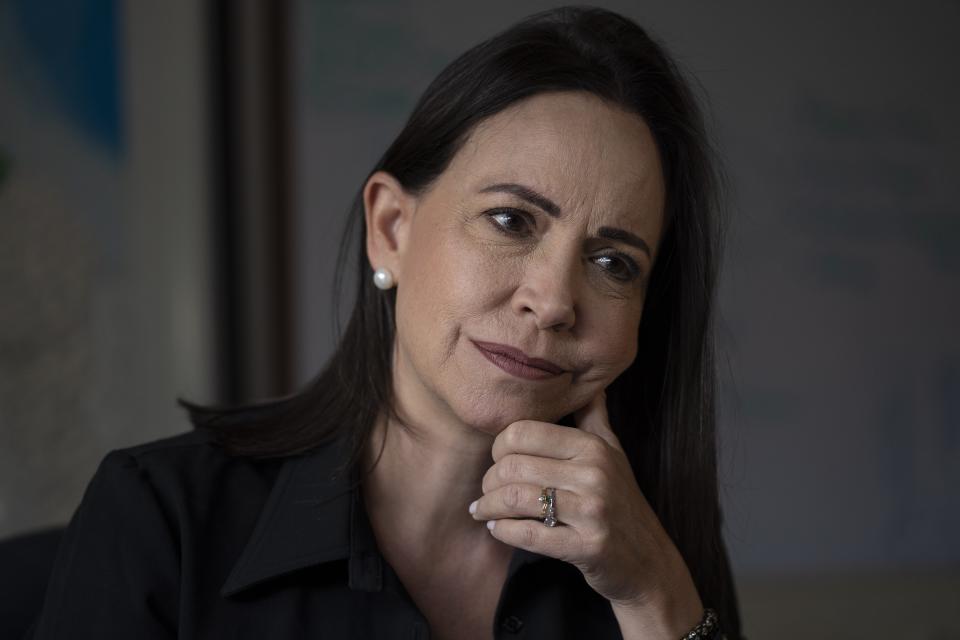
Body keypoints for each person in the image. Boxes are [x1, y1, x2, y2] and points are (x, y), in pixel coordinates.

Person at [28, 6, 742, 639]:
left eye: (615, 264)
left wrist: (655, 596)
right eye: (510, 220)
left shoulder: (648, 548)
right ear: (391, 229)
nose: (553, 301)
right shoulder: (163, 520)